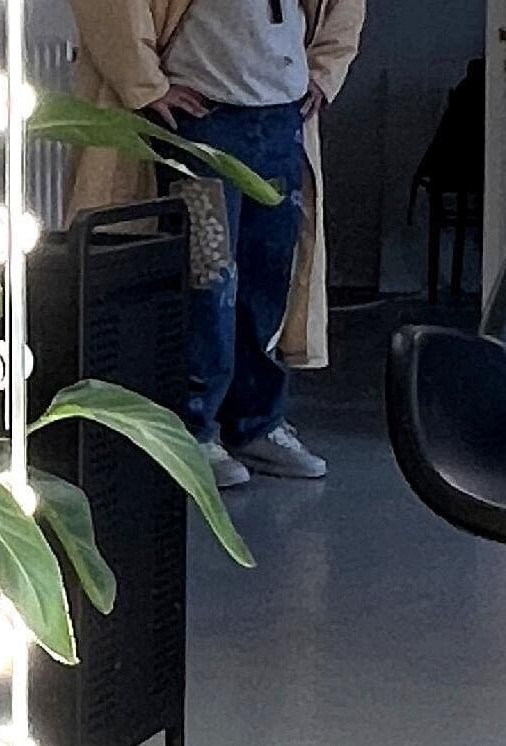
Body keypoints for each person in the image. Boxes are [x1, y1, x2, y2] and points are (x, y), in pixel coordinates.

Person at [74, 0, 366, 489]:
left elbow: (345, 8)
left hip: (279, 119)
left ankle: (257, 423)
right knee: (207, 280)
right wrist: (147, 85)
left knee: (266, 282)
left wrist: (324, 72)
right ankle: (193, 429)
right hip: (203, 120)